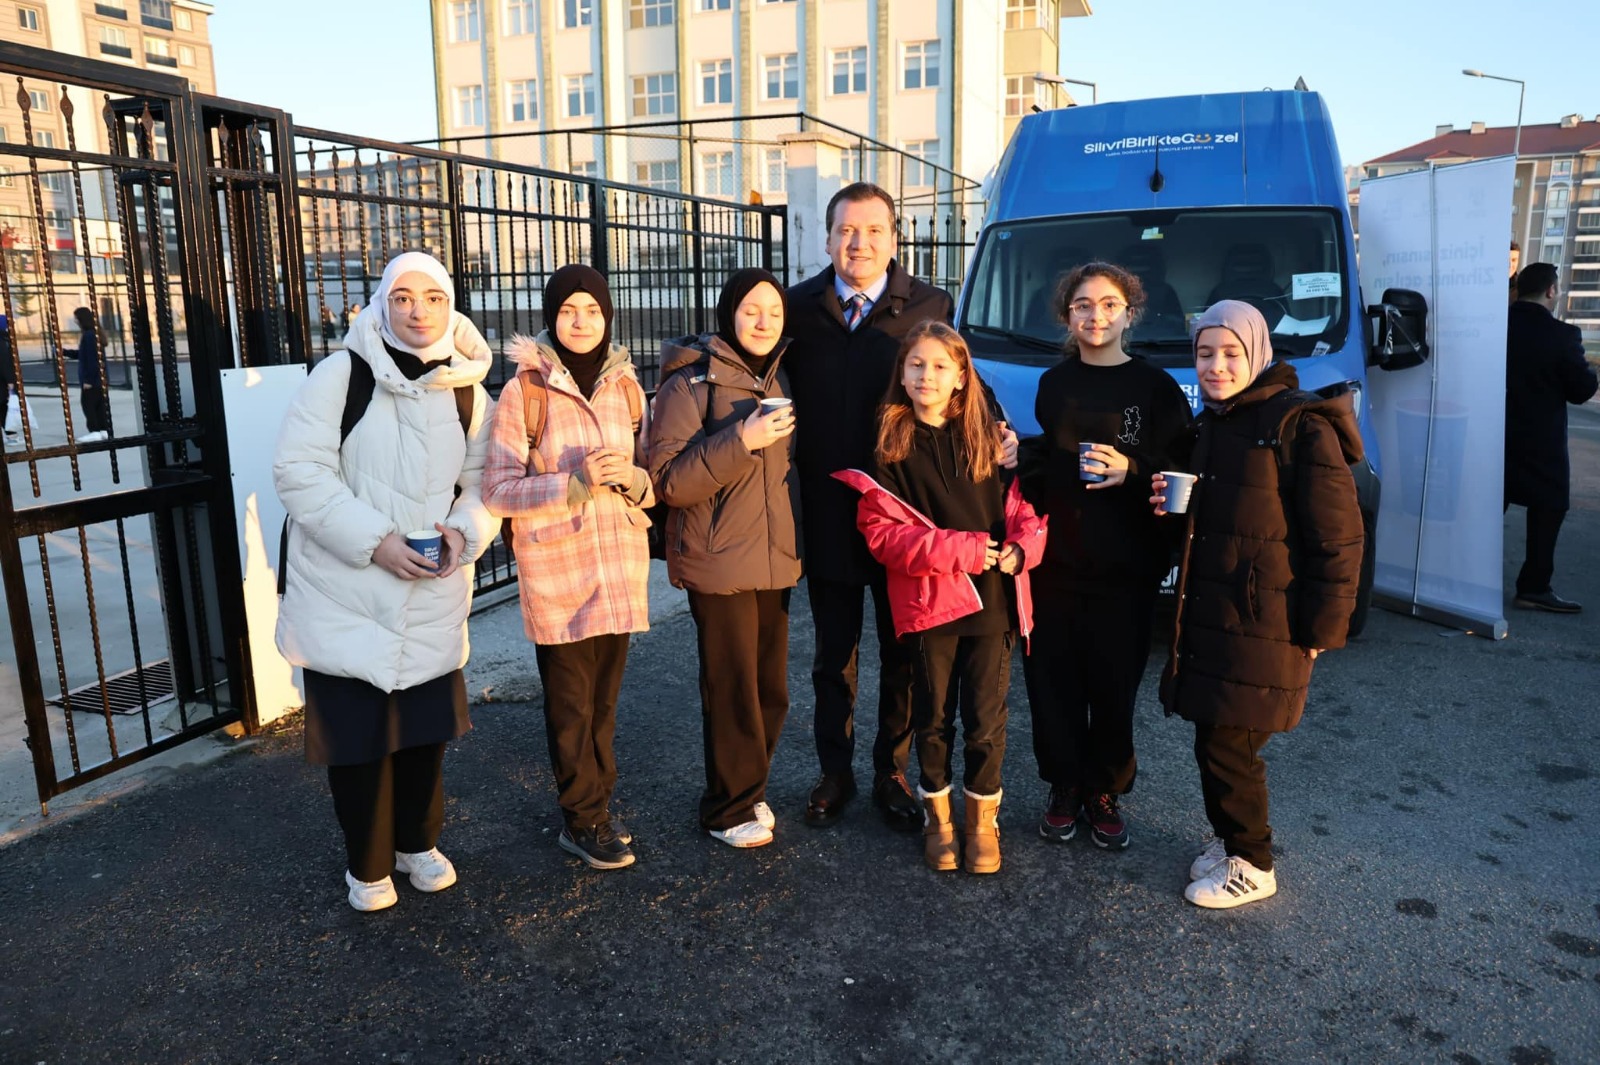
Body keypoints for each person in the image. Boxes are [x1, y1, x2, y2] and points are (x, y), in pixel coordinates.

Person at [785, 181, 1018, 831]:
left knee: (904, 655)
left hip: (910, 514)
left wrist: (1001, 431)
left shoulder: (927, 303)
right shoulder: (798, 308)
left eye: (873, 231)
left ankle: (892, 769)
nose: (858, 243)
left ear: (894, 238)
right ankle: (836, 770)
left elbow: (961, 377)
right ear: (827, 237)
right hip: (833, 512)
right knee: (834, 654)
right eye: (846, 231)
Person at [273, 251, 499, 913]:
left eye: (431, 296)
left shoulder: (466, 388)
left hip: (431, 588)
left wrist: (464, 531)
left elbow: (485, 484)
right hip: (347, 592)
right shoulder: (341, 375)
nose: (418, 309)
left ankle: (417, 844)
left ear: (450, 303)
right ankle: (367, 864)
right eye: (403, 297)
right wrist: (377, 543)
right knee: (358, 742)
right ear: (381, 304)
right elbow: (300, 472)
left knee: (425, 736)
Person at [1150, 300, 1363, 909]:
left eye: (1230, 353)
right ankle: (1229, 838)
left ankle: (1254, 862)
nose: (1216, 366)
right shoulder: (1219, 421)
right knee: (1214, 733)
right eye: (1204, 353)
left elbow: (1339, 536)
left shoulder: (1297, 424)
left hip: (1266, 618)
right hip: (1219, 612)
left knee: (1233, 744)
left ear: (1258, 353)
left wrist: (1324, 625)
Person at [836, 322, 1044, 874]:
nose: (927, 375)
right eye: (916, 365)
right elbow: (885, 536)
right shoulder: (890, 444)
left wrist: (1023, 549)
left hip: (993, 603)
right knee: (932, 719)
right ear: (901, 375)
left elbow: (1022, 509)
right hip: (931, 605)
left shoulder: (989, 435)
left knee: (986, 720)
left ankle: (981, 821)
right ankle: (940, 819)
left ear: (961, 377)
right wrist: (967, 551)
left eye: (940, 366)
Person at [1016, 263, 1192, 850]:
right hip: (1056, 567)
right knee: (1053, 683)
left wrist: (1133, 470)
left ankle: (1104, 789)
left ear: (1130, 314)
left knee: (1115, 687)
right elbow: (1040, 468)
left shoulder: (1155, 388)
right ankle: (1064, 784)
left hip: (1127, 569)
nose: (1096, 315)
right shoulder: (1054, 384)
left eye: (1109, 304)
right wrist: (1017, 463)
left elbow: (1184, 474)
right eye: (1083, 305)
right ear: (1068, 314)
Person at [483, 265, 653, 871]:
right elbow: (499, 490)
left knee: (604, 703)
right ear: (552, 319)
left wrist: (634, 479)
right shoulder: (524, 392)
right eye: (568, 311)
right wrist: (573, 483)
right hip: (558, 570)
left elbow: (649, 478)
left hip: (618, 568)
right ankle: (581, 820)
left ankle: (598, 808)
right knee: (571, 704)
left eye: (592, 310)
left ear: (608, 317)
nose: (581, 322)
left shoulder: (628, 389)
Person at [648, 269, 800, 849]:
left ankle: (749, 789)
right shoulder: (689, 386)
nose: (764, 321)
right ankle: (726, 806)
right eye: (751, 310)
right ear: (728, 314)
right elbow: (669, 483)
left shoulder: (779, 378)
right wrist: (744, 440)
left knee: (769, 689)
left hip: (773, 560)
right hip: (718, 563)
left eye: (774, 312)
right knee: (731, 687)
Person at [1504, 262, 1598, 613]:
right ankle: (1533, 587)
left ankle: (1463, 577)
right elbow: (1581, 390)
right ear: (1551, 291)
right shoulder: (1563, 335)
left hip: (1492, 437)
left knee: (1485, 506)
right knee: (1549, 508)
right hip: (1540, 443)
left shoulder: (1496, 326)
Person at [72, 307, 110, 443]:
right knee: (99, 405)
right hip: (100, 379)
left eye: (76, 317)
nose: (75, 320)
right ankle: (103, 430)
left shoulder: (88, 335)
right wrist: (64, 352)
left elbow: (92, 360)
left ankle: (94, 431)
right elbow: (83, 355)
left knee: (88, 404)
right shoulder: (95, 334)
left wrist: (88, 380)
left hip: (93, 379)